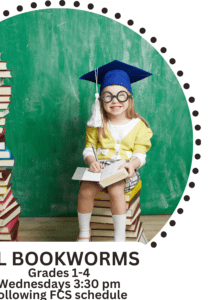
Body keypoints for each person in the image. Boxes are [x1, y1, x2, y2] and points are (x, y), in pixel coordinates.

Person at [77, 60, 153, 242]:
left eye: (121, 96)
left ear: (130, 98)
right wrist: (91, 161)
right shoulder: (96, 123)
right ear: (100, 100)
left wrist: (132, 164)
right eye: (108, 96)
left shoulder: (139, 126)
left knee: (116, 187)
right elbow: (89, 148)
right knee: (85, 189)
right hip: (100, 167)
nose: (115, 101)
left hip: (124, 169)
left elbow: (140, 154)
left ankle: (119, 238)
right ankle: (84, 233)